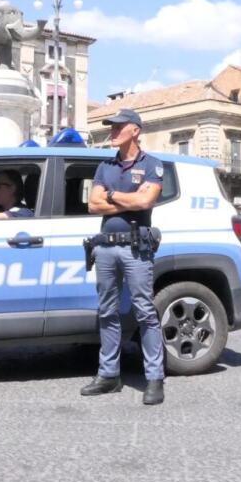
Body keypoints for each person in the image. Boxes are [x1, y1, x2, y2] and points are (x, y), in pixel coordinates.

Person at [82, 108, 166, 406]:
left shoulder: (153, 164)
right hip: (105, 247)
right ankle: (109, 375)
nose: (113, 131)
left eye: (119, 127)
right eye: (112, 127)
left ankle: (154, 378)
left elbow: (146, 200)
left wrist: (111, 196)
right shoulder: (105, 166)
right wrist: (126, 198)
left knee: (145, 311)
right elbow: (93, 205)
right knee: (106, 311)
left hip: (135, 248)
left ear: (135, 130)